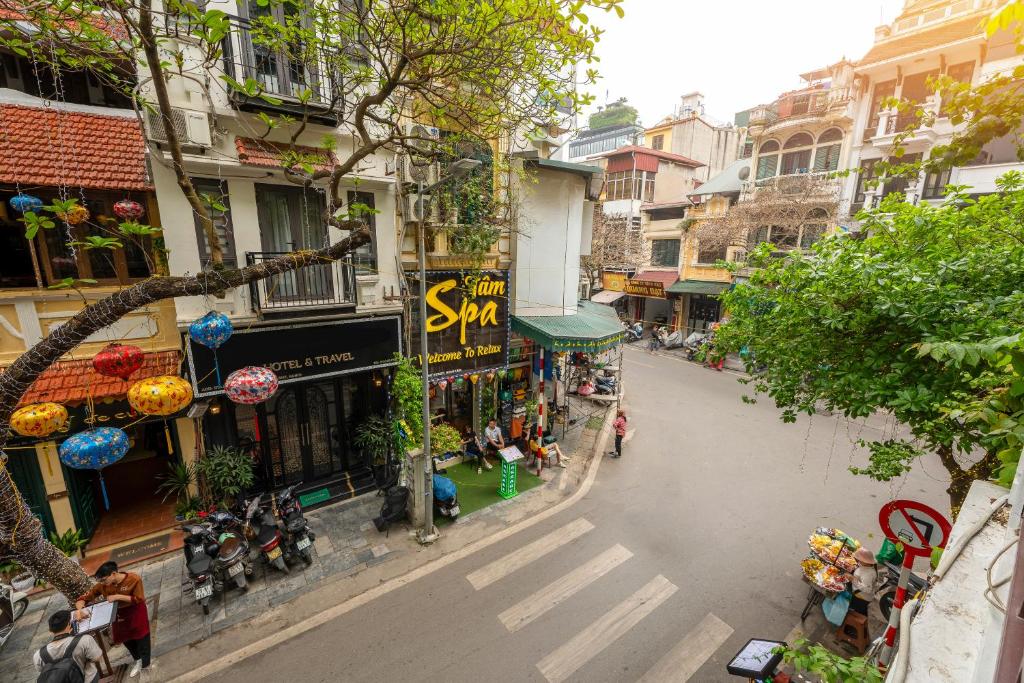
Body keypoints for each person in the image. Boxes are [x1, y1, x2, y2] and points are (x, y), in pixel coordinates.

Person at [75, 562, 150, 678]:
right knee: (126, 639)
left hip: (135, 611)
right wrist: (80, 610)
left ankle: (146, 665)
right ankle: (138, 660)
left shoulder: (133, 579)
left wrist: (118, 597)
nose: (102, 583)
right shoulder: (103, 585)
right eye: (100, 581)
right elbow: (85, 597)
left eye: (104, 580)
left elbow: (139, 599)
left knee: (141, 638)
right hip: (118, 615)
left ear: (113, 574)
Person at [33, 609, 103, 683]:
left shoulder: (38, 655)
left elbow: (42, 671)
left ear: (50, 630)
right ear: (69, 624)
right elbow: (97, 658)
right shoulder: (85, 640)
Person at [849, 547, 878, 615]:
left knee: (856, 615)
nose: (858, 560)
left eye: (860, 559)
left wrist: (853, 579)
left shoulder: (869, 574)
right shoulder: (866, 566)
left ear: (865, 561)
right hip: (858, 594)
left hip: (861, 598)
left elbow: (867, 589)